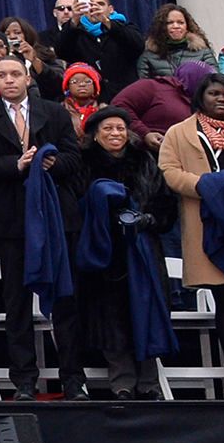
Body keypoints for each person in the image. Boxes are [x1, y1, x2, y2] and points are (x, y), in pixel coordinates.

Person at [0, 56, 81, 401]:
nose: (9, 80)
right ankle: (24, 381)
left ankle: (73, 380)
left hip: (54, 217)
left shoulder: (55, 112)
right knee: (16, 302)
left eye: (15, 73)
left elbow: (75, 158)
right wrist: (15, 165)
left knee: (65, 300)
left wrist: (52, 163)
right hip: (11, 220)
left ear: (28, 77)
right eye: (1, 75)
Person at [75, 106, 177, 399]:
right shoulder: (83, 165)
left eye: (120, 128)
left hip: (142, 250)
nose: (115, 134)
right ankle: (121, 383)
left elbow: (164, 203)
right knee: (110, 319)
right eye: (107, 129)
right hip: (103, 252)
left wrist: (148, 220)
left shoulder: (145, 161)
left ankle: (149, 383)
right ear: (95, 135)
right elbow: (76, 205)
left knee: (146, 313)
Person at [158, 72, 224, 383]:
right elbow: (169, 171)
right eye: (215, 94)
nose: (222, 100)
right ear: (200, 97)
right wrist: (207, 186)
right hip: (206, 223)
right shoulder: (179, 133)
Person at [55, 0, 145, 97]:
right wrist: (74, 19)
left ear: (111, 9)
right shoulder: (76, 32)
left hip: (124, 95)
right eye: (90, 4)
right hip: (91, 98)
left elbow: (138, 45)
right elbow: (61, 51)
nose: (95, 8)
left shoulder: (124, 27)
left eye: (100, 4)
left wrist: (105, 21)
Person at [112, 59, 212, 153]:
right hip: (142, 155)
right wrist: (145, 133)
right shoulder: (153, 87)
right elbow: (119, 106)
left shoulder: (202, 103)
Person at [136, 4, 218, 80]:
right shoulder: (148, 56)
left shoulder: (203, 52)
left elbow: (214, 81)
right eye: (170, 23)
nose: (176, 26)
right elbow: (142, 87)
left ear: (187, 26)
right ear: (161, 27)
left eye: (180, 22)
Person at [0, 16, 62, 101]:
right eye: (7, 34)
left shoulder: (44, 54)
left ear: (26, 35)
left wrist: (34, 60)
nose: (12, 37)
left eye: (17, 32)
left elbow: (58, 84)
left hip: (43, 103)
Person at [61, 63, 103, 140]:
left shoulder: (103, 110)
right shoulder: (59, 110)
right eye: (74, 81)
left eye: (88, 81)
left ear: (95, 87)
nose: (82, 84)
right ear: (68, 87)